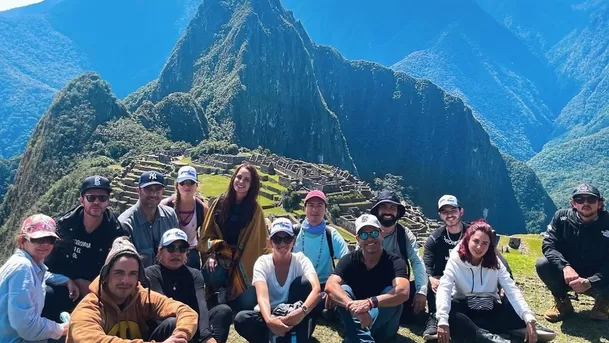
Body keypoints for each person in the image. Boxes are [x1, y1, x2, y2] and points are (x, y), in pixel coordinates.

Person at [435, 220, 555, 343]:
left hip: (490, 306)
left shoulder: (494, 261)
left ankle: (520, 326)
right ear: (467, 240)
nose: (479, 247)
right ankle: (492, 338)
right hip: (465, 306)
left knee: (510, 306)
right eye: (476, 241)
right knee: (452, 314)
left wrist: (529, 318)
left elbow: (511, 289)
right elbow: (445, 287)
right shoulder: (455, 259)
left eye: (485, 243)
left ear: (489, 245)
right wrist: (443, 319)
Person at [66, 236, 198, 343]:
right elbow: (94, 340)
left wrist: (180, 335)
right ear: (106, 275)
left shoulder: (142, 296)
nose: (126, 281)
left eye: (132, 274)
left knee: (173, 324)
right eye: (119, 273)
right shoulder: (88, 308)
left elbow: (186, 311)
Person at [422, 195, 513, 340]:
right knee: (436, 284)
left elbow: (496, 256)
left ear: (461, 211)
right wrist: (430, 278)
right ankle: (435, 317)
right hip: (447, 282)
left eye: (453, 210)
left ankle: (514, 320)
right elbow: (425, 264)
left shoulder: (474, 232)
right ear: (440, 215)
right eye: (445, 212)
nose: (450, 215)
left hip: (472, 280)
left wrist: (504, 282)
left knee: (504, 292)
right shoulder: (434, 239)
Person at [43, 175, 129, 322]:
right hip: (66, 286)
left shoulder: (117, 233)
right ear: (82, 200)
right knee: (46, 295)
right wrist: (70, 280)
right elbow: (46, 266)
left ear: (108, 201)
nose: (97, 202)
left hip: (100, 292)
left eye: (102, 198)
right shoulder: (64, 227)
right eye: (91, 198)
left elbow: (123, 270)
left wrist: (93, 289)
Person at [325, 214, 410, 343]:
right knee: (343, 290)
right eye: (364, 235)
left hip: (384, 324)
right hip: (357, 314)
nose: (370, 238)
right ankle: (364, 338)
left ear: (381, 234)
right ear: (358, 239)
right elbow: (330, 285)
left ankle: (357, 334)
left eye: (374, 233)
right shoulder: (350, 260)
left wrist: (369, 303)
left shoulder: (395, 262)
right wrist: (353, 307)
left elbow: (402, 292)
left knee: (390, 291)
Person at [234, 218, 321, 342]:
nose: (282, 243)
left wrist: (301, 312)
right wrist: (270, 321)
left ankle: (288, 336)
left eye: (287, 238)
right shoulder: (263, 262)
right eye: (277, 239)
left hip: (295, 311)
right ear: (270, 242)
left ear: (293, 241)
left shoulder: (301, 260)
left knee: (304, 284)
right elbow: (262, 297)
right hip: (271, 313)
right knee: (242, 319)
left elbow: (316, 288)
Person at [198, 163, 268, 312]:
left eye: (246, 180)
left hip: (244, 262)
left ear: (252, 185)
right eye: (239, 177)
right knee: (211, 273)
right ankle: (221, 289)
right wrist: (211, 254)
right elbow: (206, 234)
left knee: (247, 304)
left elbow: (260, 244)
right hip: (221, 257)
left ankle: (230, 292)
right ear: (233, 178)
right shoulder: (219, 204)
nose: (241, 182)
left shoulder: (255, 211)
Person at [0, 214, 79, 343]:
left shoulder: (27, 264)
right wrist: (61, 329)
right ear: (22, 241)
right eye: (38, 239)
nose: (45, 244)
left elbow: (43, 275)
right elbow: (25, 326)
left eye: (50, 240)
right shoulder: (22, 268)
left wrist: (66, 280)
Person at [536, 183, 609, 322]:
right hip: (569, 275)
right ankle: (562, 302)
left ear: (599, 204)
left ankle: (603, 302)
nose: (585, 203)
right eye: (580, 200)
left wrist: (591, 281)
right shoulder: (561, 218)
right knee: (542, 264)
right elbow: (548, 245)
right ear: (573, 203)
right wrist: (565, 267)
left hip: (600, 276)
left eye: (591, 199)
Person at [146, 229, 233, 343]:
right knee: (173, 321)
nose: (177, 253)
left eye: (182, 249)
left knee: (223, 311)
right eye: (171, 248)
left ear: (186, 253)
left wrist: (205, 335)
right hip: (166, 330)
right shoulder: (151, 274)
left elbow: (201, 306)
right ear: (160, 251)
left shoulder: (194, 274)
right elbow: (163, 311)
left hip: (191, 325)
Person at [369, 189, 427, 323]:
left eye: (392, 207)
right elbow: (355, 260)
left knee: (429, 285)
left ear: (397, 212)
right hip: (372, 286)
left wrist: (421, 291)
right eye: (384, 207)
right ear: (377, 211)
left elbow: (417, 262)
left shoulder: (404, 234)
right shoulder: (368, 233)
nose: (388, 211)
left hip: (398, 288)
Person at [292, 190, 350, 318]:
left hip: (325, 285)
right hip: (300, 284)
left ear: (325, 209)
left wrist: (334, 286)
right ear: (305, 208)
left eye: (319, 205)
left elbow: (347, 260)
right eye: (311, 205)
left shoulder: (331, 234)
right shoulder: (294, 233)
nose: (315, 210)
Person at [119, 170, 179, 267]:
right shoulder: (126, 224)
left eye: (157, 190)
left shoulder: (170, 215)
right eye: (148, 189)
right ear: (138, 190)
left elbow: (178, 250)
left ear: (163, 191)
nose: (154, 194)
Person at [161, 166, 209, 269]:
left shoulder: (202, 209)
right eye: (183, 183)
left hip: (190, 251)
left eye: (190, 182)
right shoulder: (165, 205)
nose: (187, 186)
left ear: (196, 185)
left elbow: (206, 235)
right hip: (168, 251)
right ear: (177, 185)